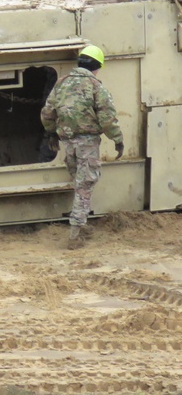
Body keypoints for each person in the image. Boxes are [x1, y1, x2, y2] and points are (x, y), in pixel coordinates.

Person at [40, 45, 124, 250]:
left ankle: (81, 223)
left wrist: (51, 133)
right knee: (85, 185)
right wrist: (117, 139)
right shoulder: (96, 86)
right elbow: (107, 118)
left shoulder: (61, 84)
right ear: (97, 67)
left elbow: (47, 112)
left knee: (79, 182)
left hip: (68, 142)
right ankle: (75, 234)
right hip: (87, 142)